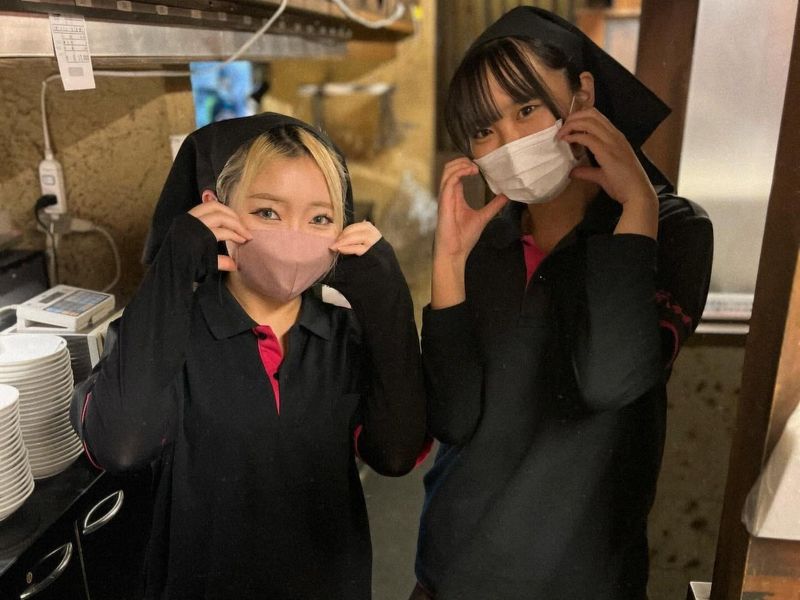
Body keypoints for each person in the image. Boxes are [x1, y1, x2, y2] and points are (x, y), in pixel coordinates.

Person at [412, 6, 712, 600]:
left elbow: (608, 381)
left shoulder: (673, 230)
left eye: (526, 110)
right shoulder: (486, 243)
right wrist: (447, 265)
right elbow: (453, 418)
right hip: (453, 570)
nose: (510, 142)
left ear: (583, 95)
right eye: (484, 130)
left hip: (583, 579)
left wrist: (637, 210)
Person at [70, 113, 428, 599]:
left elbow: (396, 452)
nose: (295, 235)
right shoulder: (171, 333)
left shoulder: (344, 337)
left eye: (319, 218)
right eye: (268, 212)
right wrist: (173, 266)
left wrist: (389, 304)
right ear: (215, 211)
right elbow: (121, 444)